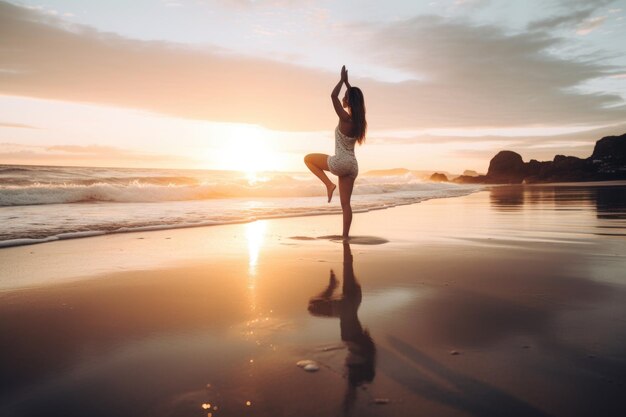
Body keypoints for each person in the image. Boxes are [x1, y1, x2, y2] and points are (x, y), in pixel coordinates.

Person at [304, 65, 367, 239]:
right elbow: (353, 98)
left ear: (349, 101)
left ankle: (328, 184)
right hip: (353, 165)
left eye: (346, 97)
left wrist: (341, 81)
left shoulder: (345, 118)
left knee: (308, 159)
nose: (343, 99)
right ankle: (345, 237)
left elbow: (333, 96)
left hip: (340, 162)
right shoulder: (359, 122)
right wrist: (348, 84)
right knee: (346, 204)